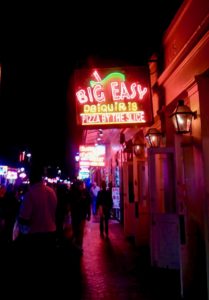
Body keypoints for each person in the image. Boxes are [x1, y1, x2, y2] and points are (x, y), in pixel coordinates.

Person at [17, 162, 58, 252]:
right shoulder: (51, 192)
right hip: (51, 232)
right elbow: (55, 211)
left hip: (35, 234)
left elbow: (24, 217)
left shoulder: (30, 194)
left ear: (32, 177)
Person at [70, 179, 91, 254]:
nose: (81, 186)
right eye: (80, 185)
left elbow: (88, 203)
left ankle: (79, 245)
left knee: (80, 230)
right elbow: (72, 203)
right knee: (76, 229)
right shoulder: (74, 193)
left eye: (82, 185)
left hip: (81, 215)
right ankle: (76, 243)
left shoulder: (85, 193)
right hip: (76, 214)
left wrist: (89, 214)